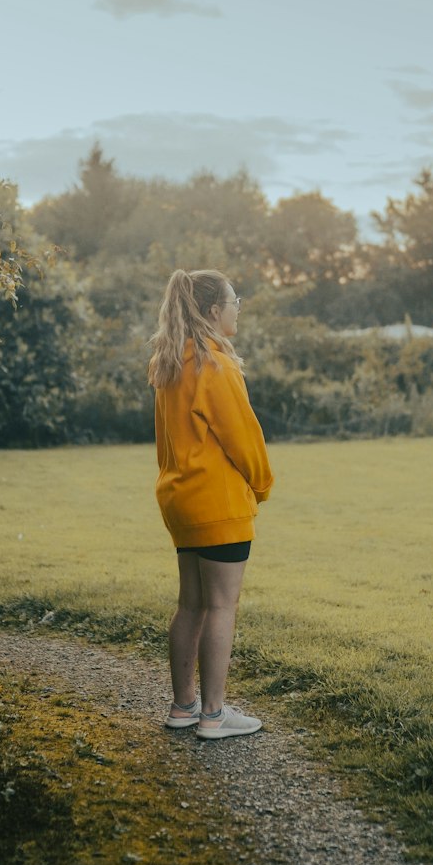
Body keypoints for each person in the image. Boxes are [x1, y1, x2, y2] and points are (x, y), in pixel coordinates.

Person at [147, 268, 274, 740]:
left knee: (192, 604)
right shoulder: (214, 365)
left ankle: (184, 707)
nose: (239, 307)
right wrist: (261, 485)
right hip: (218, 504)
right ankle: (214, 716)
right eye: (234, 300)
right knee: (221, 607)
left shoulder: (170, 363)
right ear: (214, 312)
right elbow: (243, 437)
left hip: (182, 502)